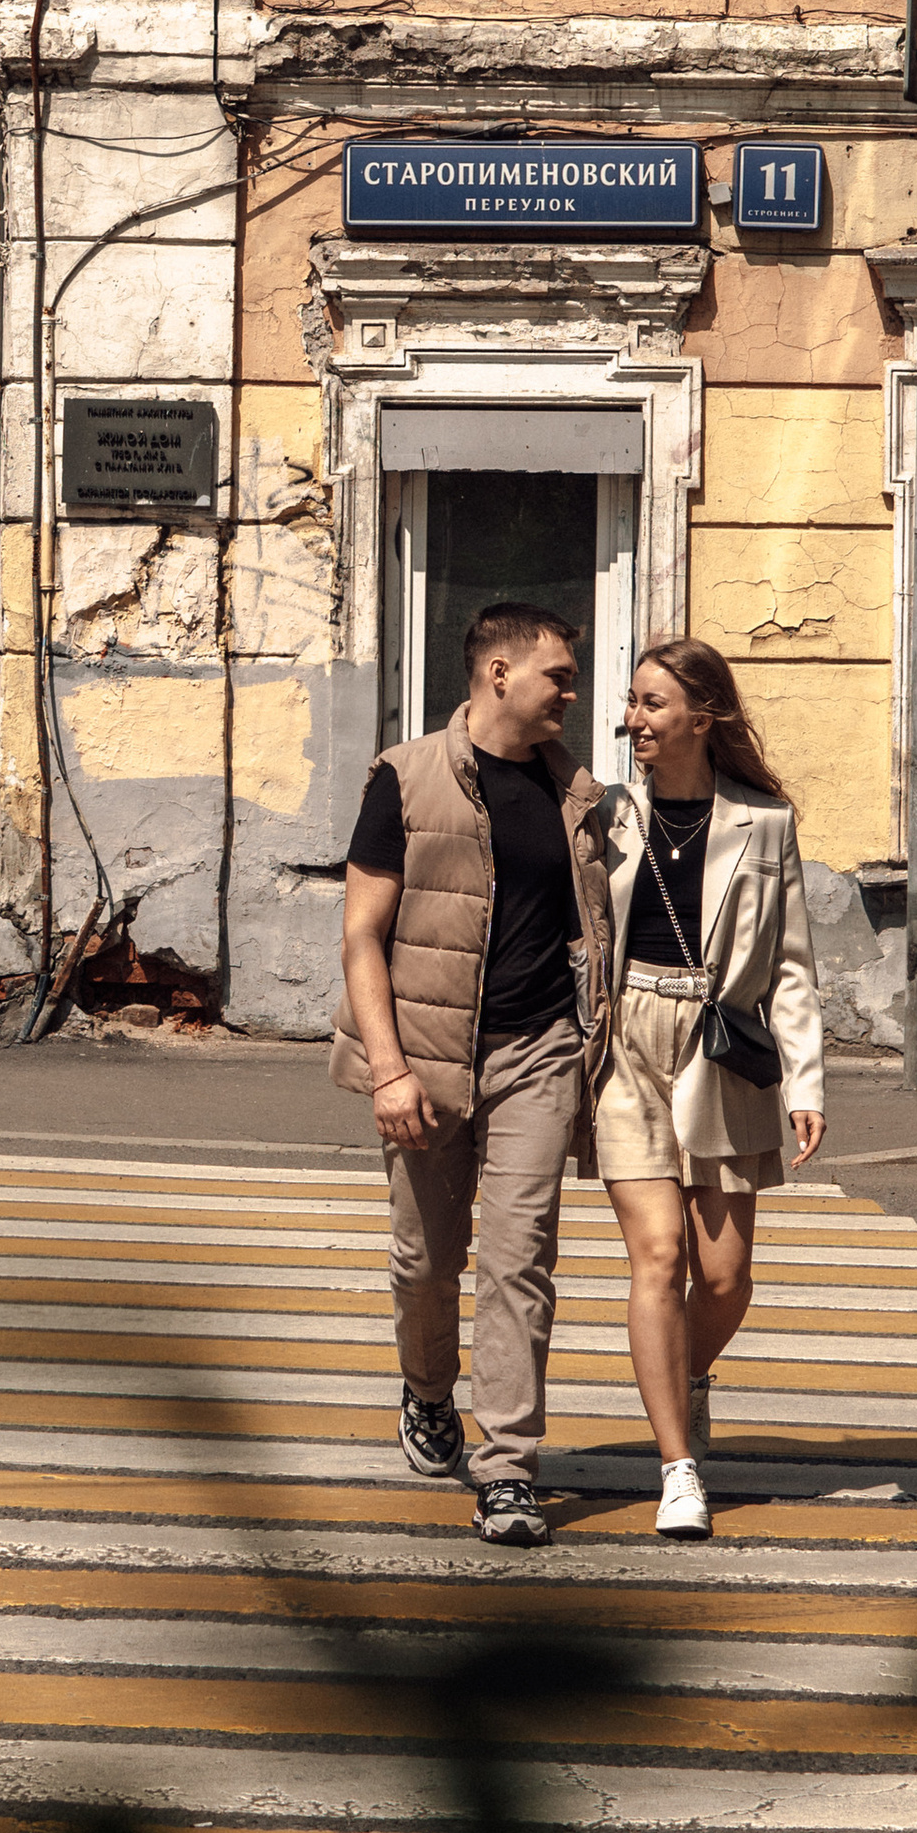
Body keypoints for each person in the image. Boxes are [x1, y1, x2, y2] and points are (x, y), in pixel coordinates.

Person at [332, 603, 613, 1549]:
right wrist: (388, 1071)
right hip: (424, 1057)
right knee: (425, 1263)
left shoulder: (578, 796)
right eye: (559, 678)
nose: (573, 693)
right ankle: (426, 1390)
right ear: (499, 673)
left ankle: (506, 1471)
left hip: (537, 1053)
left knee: (519, 1259)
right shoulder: (405, 780)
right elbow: (362, 939)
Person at [597, 637, 826, 1543]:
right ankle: (678, 1467)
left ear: (703, 715)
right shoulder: (607, 813)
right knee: (657, 1258)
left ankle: (681, 1375)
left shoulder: (765, 823)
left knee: (724, 1275)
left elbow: (795, 968)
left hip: (723, 1045)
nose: (632, 720)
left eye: (651, 704)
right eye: (631, 702)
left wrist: (806, 1084)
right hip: (624, 1040)